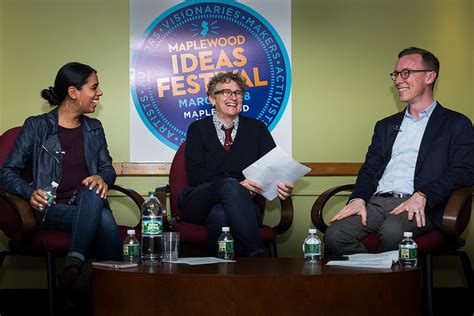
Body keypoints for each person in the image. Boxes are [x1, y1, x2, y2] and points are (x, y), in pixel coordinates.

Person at [325, 47, 474, 255]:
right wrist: (358, 198)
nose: (397, 80)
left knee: (393, 232)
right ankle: (373, 282)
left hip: (421, 204)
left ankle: (386, 284)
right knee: (335, 235)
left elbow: (465, 170)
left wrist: (423, 194)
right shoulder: (385, 126)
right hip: (376, 203)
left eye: (406, 73)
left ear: (430, 76)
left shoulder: (456, 123)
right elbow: (370, 168)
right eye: (396, 74)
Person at [0, 62, 122, 288]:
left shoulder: (94, 128)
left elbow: (107, 169)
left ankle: (73, 273)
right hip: (49, 208)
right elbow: (6, 172)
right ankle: (116, 293)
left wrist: (102, 178)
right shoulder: (37, 126)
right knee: (105, 221)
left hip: (88, 203)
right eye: (94, 87)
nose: (99, 93)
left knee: (93, 189)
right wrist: (30, 192)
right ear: (73, 93)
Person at [179, 72, 294, 257]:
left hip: (246, 207)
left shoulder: (257, 129)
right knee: (230, 185)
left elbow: (274, 168)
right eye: (225, 92)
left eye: (238, 92)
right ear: (211, 99)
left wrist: (282, 184)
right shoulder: (197, 129)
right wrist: (237, 186)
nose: (233, 97)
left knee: (220, 215)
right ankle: (256, 255)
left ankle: (221, 275)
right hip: (200, 201)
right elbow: (196, 175)